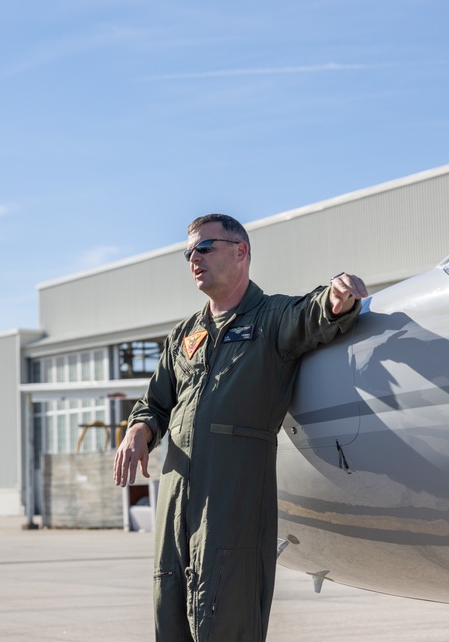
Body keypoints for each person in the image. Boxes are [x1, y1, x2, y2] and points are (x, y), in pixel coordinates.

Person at [113, 213, 368, 641]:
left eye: (205, 247)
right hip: (176, 491)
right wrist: (139, 430)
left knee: (227, 602)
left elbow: (315, 313)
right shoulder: (185, 334)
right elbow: (155, 402)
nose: (194, 258)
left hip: (232, 493)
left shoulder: (271, 317)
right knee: (170, 604)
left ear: (240, 251)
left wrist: (338, 296)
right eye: (188, 252)